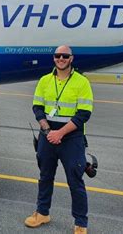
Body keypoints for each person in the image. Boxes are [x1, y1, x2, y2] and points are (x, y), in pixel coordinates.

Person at [25, 46, 93, 234]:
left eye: (65, 56)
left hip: (71, 138)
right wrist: (47, 129)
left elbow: (83, 114)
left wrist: (60, 133)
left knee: (75, 180)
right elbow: (37, 107)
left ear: (71, 58)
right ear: (54, 58)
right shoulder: (45, 80)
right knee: (45, 177)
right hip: (47, 136)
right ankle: (42, 213)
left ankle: (81, 222)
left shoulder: (82, 82)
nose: (61, 58)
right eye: (57, 56)